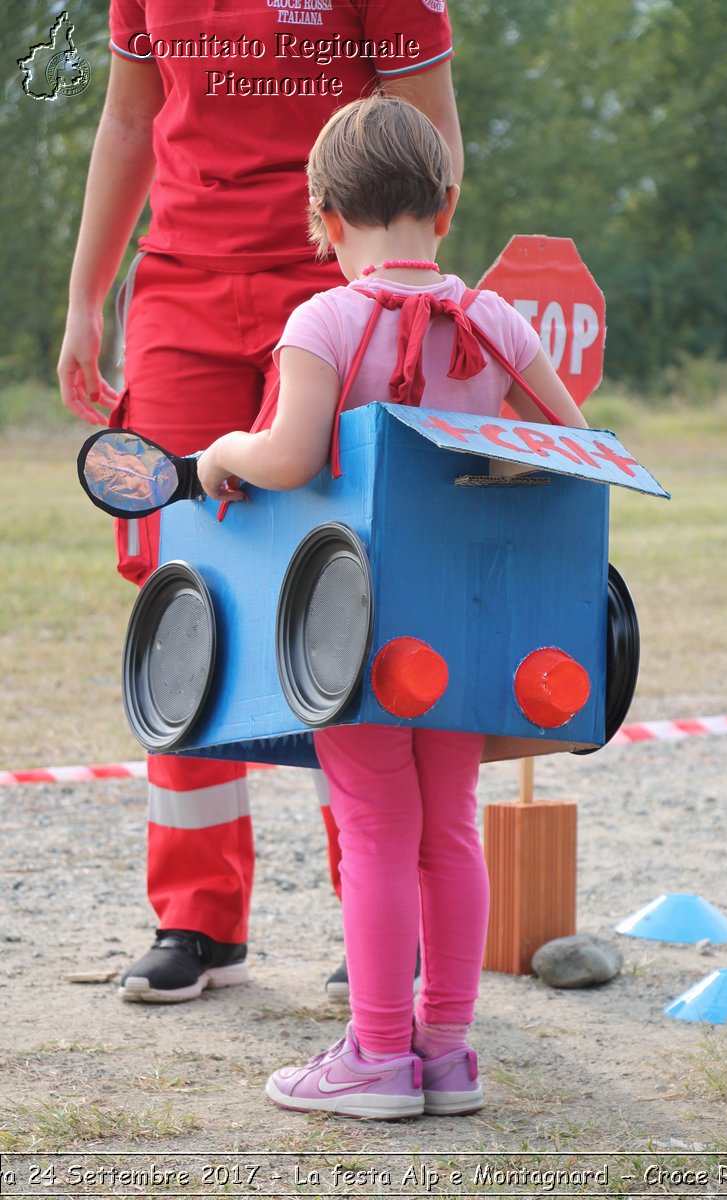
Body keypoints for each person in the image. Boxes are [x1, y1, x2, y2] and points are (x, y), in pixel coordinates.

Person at [57, 1, 463, 1003]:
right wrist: (84, 297)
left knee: (349, 582)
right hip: (181, 293)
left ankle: (382, 919)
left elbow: (429, 143)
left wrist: (401, 307)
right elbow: (126, 123)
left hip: (332, 298)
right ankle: (196, 920)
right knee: (181, 586)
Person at [196, 95, 589, 1119]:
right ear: (445, 209)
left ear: (324, 218)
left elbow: (284, 456)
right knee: (447, 828)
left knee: (373, 828)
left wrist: (220, 455)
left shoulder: (322, 318)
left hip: (355, 625)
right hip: (464, 623)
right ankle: (446, 1053)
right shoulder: (495, 319)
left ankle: (375, 1056)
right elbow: (573, 441)